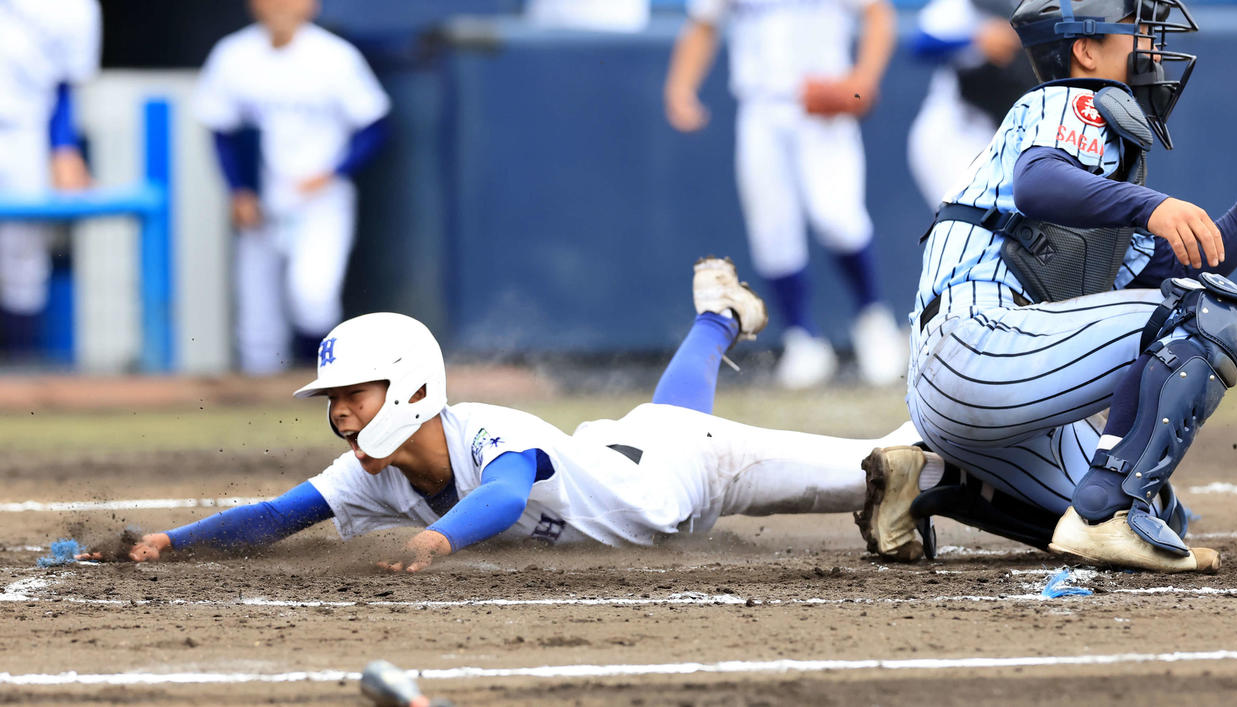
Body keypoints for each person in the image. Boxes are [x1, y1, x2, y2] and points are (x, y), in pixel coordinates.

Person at [89, 258, 923, 569]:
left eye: (354, 394)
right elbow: (278, 515)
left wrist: (436, 540)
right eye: (334, 401)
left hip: (696, 469)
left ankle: (974, 403)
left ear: (410, 387)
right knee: (663, 417)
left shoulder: (489, 431)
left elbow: (504, 491)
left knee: (891, 467)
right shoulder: (374, 472)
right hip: (627, 453)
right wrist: (173, 541)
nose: (341, 415)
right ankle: (716, 318)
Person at [857, 0, 1237, 572]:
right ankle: (1103, 516)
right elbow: (1038, 182)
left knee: (1162, 512)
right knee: (1203, 316)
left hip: (973, 387)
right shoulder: (1070, 99)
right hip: (977, 341)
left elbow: (1179, 268)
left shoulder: (1100, 155)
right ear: (1086, 50)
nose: (1154, 46)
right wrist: (1153, 206)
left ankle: (934, 482)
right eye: (1139, 31)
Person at [664, 0, 907, 389]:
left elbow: (878, 13)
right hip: (760, 108)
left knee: (838, 218)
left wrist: (863, 78)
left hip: (822, 106)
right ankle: (802, 338)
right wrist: (681, 88)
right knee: (772, 232)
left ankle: (873, 320)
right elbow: (703, 24)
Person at [194, 0, 390, 375]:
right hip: (262, 203)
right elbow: (221, 130)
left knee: (312, 297)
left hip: (319, 200)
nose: (280, 6)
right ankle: (258, 404)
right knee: (257, 321)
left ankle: (321, 383)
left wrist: (335, 171)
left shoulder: (335, 56)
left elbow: (375, 125)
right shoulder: (233, 55)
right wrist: (238, 189)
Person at [0, 0, 100, 358]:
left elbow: (65, 84)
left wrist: (64, 147)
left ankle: (18, 370)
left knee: (22, 258)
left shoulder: (75, 7)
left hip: (24, 132)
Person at [906, 0, 1037, 208]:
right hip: (954, 131)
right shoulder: (965, 6)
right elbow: (921, 43)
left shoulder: (1046, 6)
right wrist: (975, 39)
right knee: (963, 213)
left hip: (1007, 134)